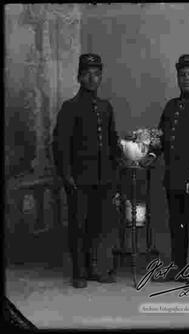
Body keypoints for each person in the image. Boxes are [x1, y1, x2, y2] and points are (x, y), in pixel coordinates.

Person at [141, 54, 189, 282]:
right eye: (182, 75)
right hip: (174, 179)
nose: (185, 79)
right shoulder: (171, 106)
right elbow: (161, 137)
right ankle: (177, 268)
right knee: (177, 226)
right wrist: (153, 154)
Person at [52, 53, 121, 288]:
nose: (93, 79)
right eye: (87, 74)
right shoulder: (70, 107)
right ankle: (79, 273)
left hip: (103, 177)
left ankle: (96, 269)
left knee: (99, 225)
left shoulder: (105, 107)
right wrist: (66, 174)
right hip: (79, 178)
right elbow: (60, 144)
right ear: (79, 77)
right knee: (79, 225)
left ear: (101, 77)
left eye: (97, 74)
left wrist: (116, 168)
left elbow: (112, 142)